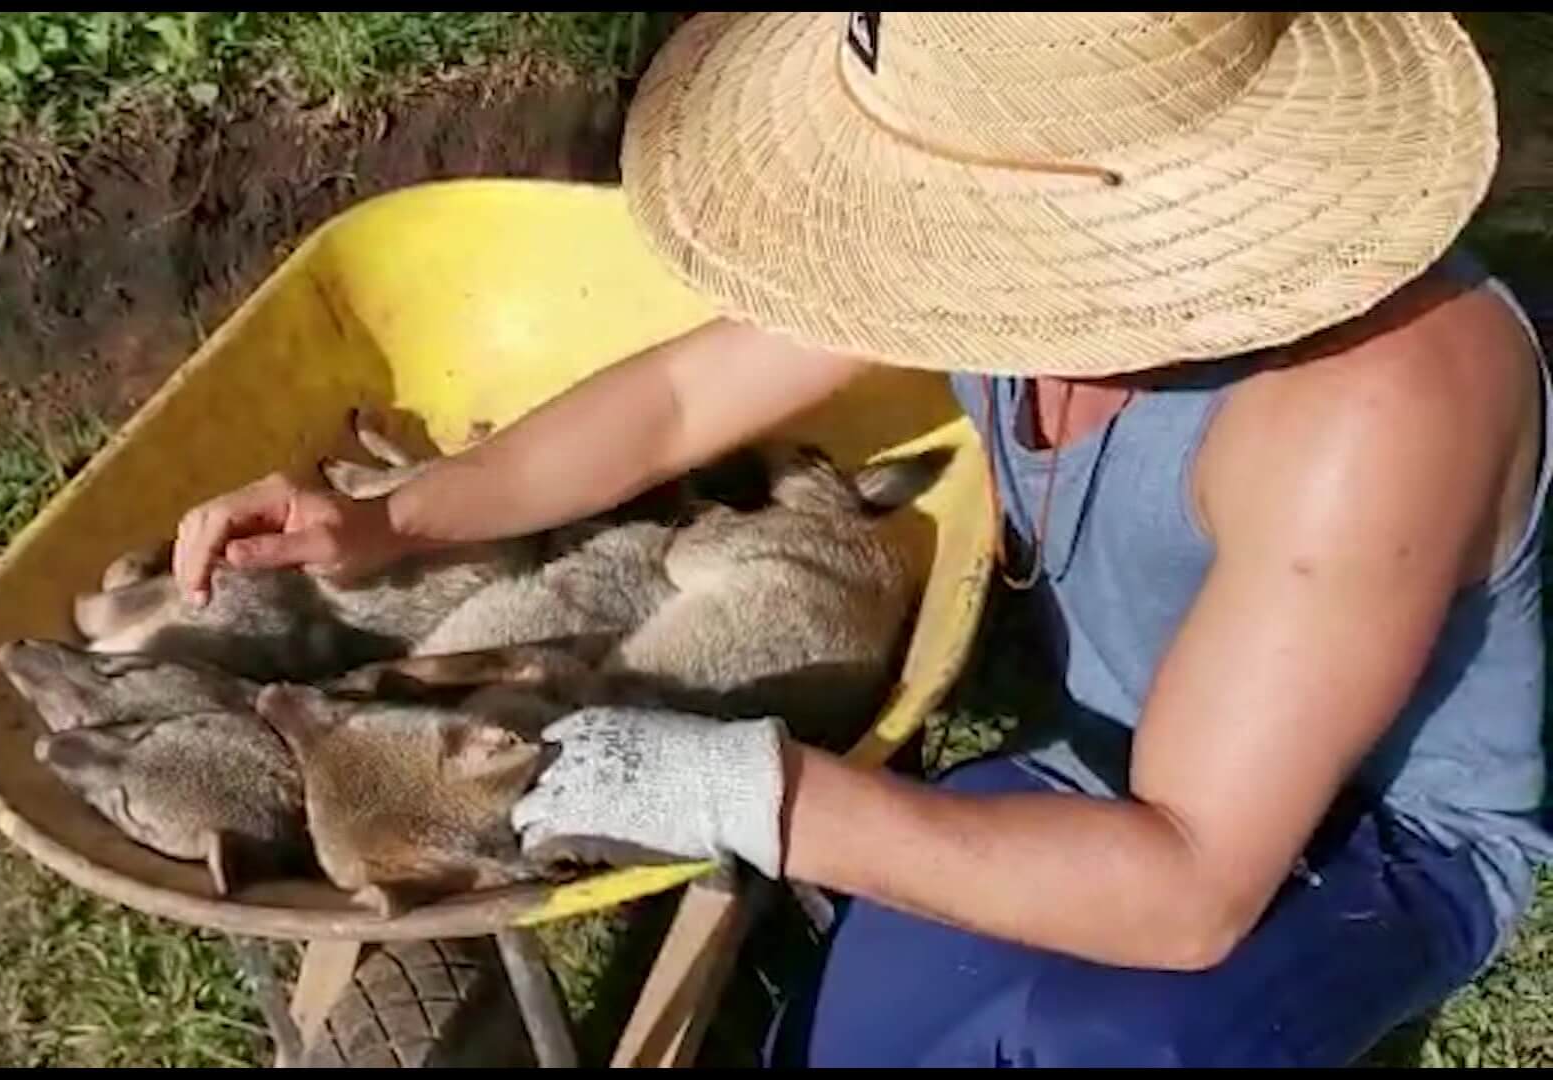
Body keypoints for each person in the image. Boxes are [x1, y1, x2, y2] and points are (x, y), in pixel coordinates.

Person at [172, 12, 1553, 1067]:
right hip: (1110, 748)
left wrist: (748, 794)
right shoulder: (999, 222)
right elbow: (678, 399)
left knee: (1101, 1049)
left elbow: (1186, 891)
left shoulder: (1371, 405)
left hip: (1370, 831)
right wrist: (388, 519)